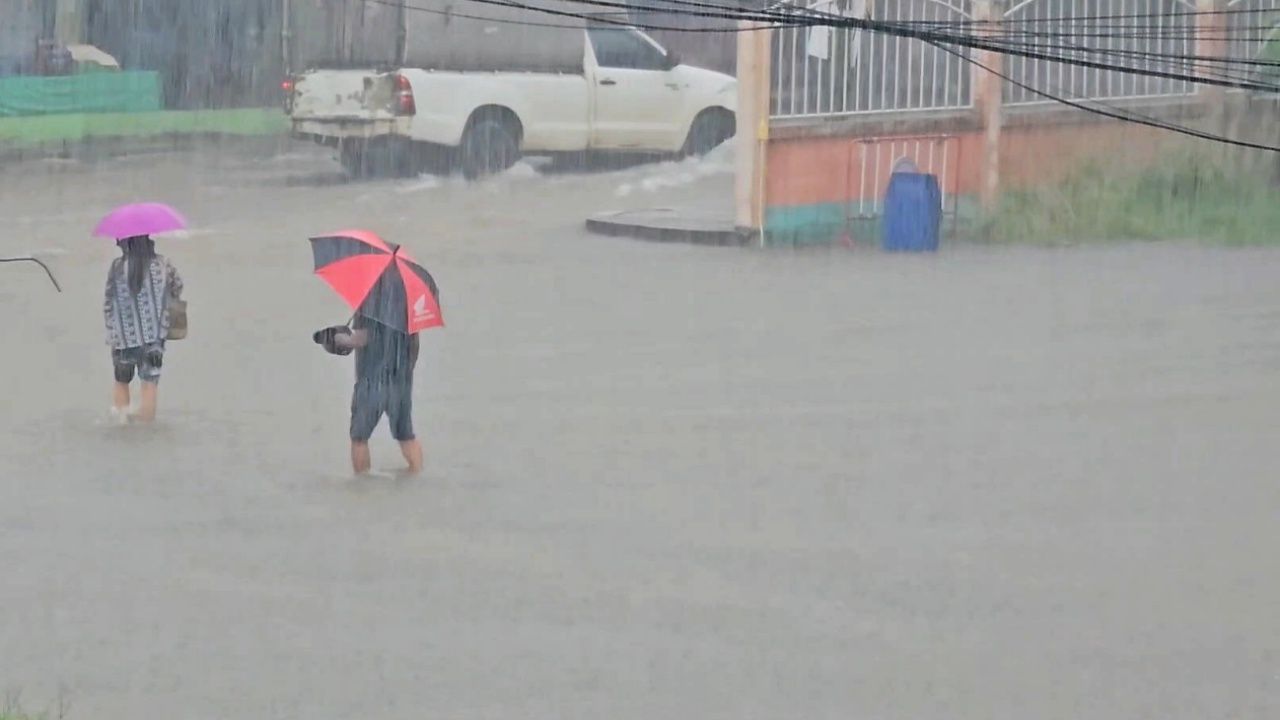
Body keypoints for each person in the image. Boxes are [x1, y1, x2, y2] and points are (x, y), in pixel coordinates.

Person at [314, 314, 423, 475]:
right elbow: (414, 350)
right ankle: (417, 480)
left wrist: (336, 338)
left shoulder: (371, 306)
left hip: (371, 382)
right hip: (402, 382)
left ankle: (362, 487)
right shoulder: (410, 310)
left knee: (359, 437)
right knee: (406, 435)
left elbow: (361, 339)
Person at [103, 234, 183, 423]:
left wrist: (112, 332)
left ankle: (122, 425)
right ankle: (147, 431)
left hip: (123, 337)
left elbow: (109, 301)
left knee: (122, 381)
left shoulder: (117, 267)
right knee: (149, 383)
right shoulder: (164, 264)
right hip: (154, 337)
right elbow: (177, 288)